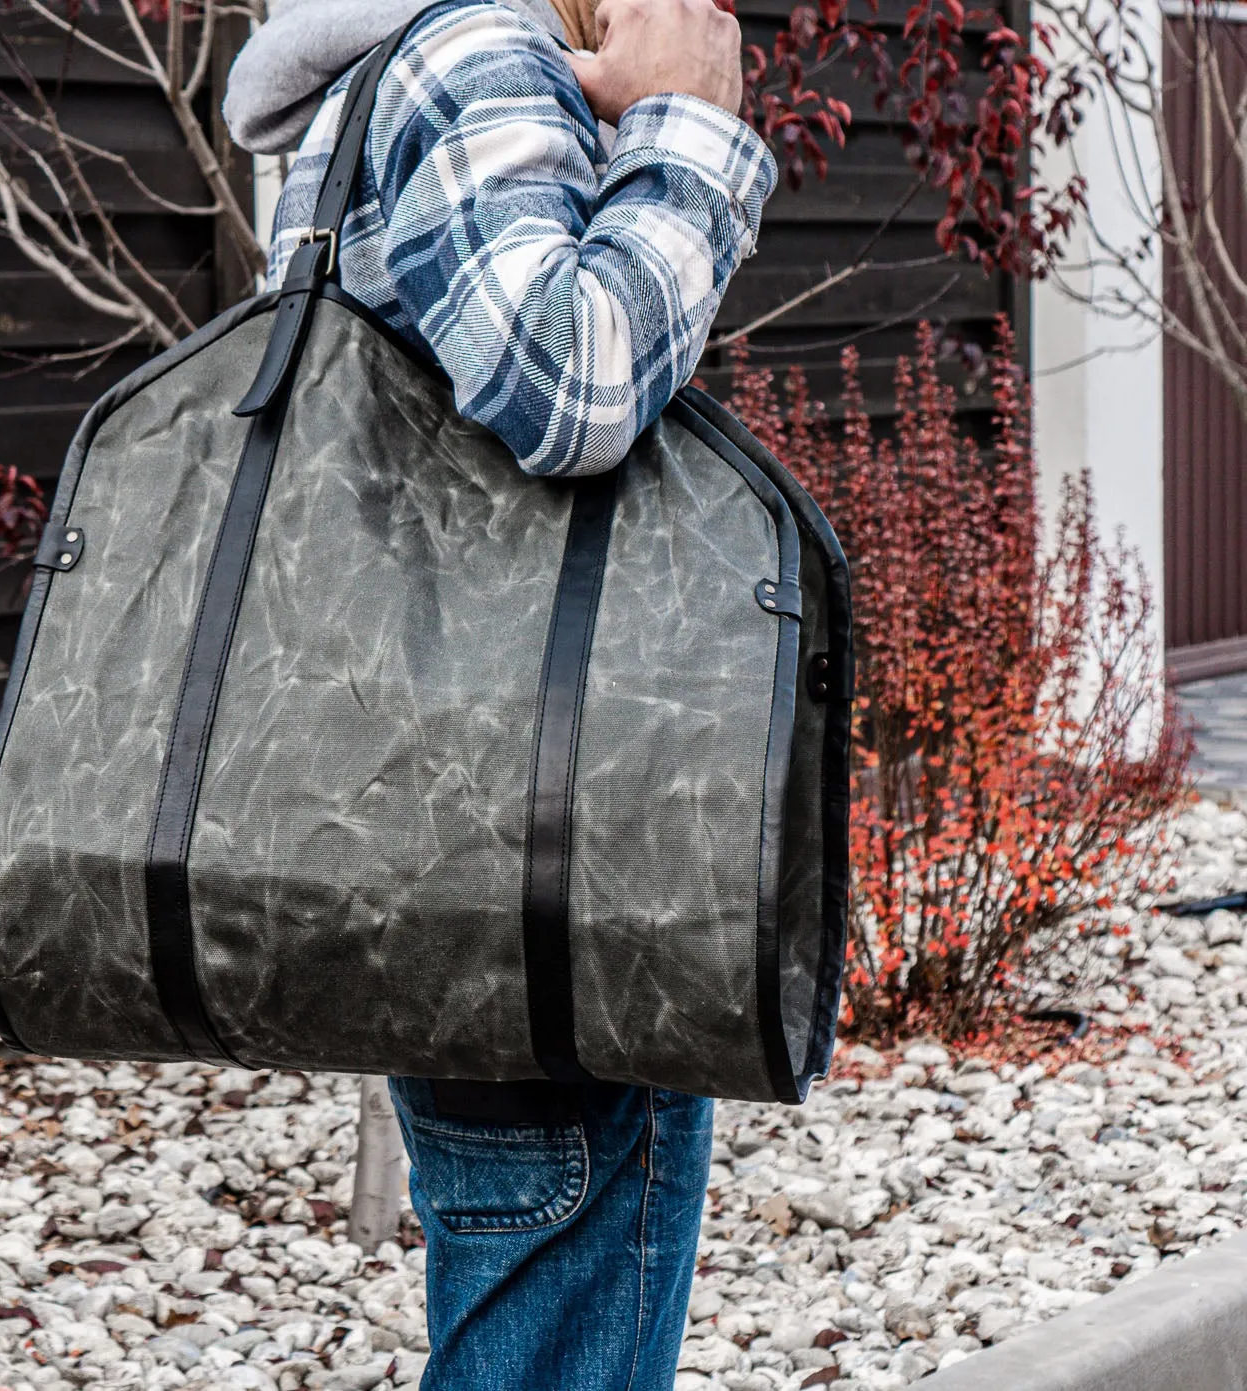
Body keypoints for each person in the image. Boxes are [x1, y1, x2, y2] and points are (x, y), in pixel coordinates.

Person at [224, 1, 774, 1385]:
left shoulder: (385, 75)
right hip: (533, 840)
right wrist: (690, 134)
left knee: (522, 1289)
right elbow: (570, 377)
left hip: (442, 823)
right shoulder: (479, 56)